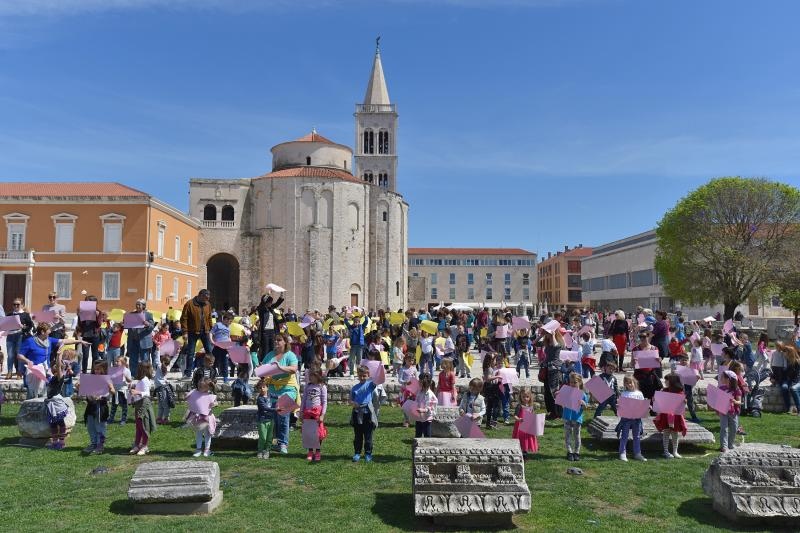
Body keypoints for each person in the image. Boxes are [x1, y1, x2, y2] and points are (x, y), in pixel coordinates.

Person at [17, 323, 87, 399]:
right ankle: (30, 409)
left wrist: (80, 341)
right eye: (48, 332)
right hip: (33, 372)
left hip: (45, 371)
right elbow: (19, 355)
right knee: (32, 393)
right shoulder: (30, 341)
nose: (49, 334)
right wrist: (27, 361)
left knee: (44, 393)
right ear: (42, 332)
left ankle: (42, 409)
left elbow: (64, 341)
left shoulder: (49, 340)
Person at [260, 332, 299, 455]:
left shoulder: (290, 355)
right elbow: (262, 371)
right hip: (272, 388)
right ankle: (272, 442)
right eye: (275, 340)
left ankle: (283, 444)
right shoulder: (270, 355)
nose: (276, 342)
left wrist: (279, 368)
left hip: (288, 388)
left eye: (279, 340)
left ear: (285, 342)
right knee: (273, 416)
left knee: (282, 414)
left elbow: (293, 369)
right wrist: (261, 368)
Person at [81, 360, 114, 454]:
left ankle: (100, 445)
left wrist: (111, 389)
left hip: (101, 406)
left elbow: (112, 390)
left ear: (104, 369)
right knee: (90, 426)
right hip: (91, 405)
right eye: (95, 369)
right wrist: (80, 387)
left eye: (98, 369)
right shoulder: (91, 378)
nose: (96, 371)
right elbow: (86, 391)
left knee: (99, 426)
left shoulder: (106, 379)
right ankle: (93, 443)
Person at [180, 289, 214, 376]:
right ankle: (188, 372)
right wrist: (184, 332)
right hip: (192, 331)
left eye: (208, 298)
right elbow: (184, 318)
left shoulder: (208, 304)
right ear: (200, 295)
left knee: (209, 351)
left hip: (205, 331)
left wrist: (211, 329)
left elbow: (209, 317)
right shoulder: (189, 304)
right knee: (191, 352)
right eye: (205, 298)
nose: (206, 300)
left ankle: (210, 370)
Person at [654, 373, 687, 459]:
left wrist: (684, 402)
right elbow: (659, 401)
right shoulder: (664, 391)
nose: (665, 382)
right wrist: (655, 399)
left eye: (666, 380)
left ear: (672, 381)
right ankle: (666, 451)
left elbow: (682, 405)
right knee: (666, 433)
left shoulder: (680, 392)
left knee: (675, 433)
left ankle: (675, 451)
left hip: (675, 416)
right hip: (665, 415)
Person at [350, 364, 379, 462]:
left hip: (368, 414)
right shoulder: (354, 388)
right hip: (357, 413)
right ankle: (357, 453)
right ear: (357, 375)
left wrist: (379, 366)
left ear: (368, 375)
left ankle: (368, 453)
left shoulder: (370, 385)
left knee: (368, 436)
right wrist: (354, 403)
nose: (362, 378)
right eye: (360, 375)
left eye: (364, 376)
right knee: (358, 436)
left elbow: (378, 378)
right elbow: (350, 400)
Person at [616, 375, 647, 462]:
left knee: (637, 436)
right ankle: (622, 453)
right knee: (624, 436)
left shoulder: (639, 393)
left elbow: (642, 405)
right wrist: (619, 406)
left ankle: (637, 453)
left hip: (637, 419)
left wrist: (647, 407)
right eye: (627, 383)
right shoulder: (624, 394)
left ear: (634, 382)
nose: (629, 385)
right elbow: (622, 405)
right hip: (626, 418)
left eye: (630, 382)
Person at [184, 378, 218, 457]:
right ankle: (198, 449)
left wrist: (214, 404)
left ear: (207, 387)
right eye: (198, 386)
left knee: (207, 434)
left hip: (207, 418)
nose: (198, 388)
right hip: (198, 418)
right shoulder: (195, 393)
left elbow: (216, 402)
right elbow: (187, 397)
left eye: (201, 387)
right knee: (198, 434)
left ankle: (207, 450)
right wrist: (187, 395)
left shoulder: (210, 395)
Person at [300, 368, 328, 462]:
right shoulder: (308, 386)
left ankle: (318, 451)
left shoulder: (322, 387)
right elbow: (303, 400)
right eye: (310, 376)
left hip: (317, 413)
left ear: (318, 376)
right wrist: (301, 412)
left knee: (318, 433)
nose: (310, 377)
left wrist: (322, 415)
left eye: (312, 376)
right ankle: (310, 451)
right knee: (309, 432)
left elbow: (324, 402)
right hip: (307, 412)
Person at [44, 355, 71, 450]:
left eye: (56, 366)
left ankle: (62, 442)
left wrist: (59, 355)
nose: (54, 367)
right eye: (53, 366)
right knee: (53, 423)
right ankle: (55, 442)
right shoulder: (52, 377)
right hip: (51, 403)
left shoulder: (60, 376)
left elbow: (59, 367)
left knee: (60, 422)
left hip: (56, 403)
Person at [130, 361, 156, 456]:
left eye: (140, 368)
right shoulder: (140, 380)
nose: (138, 370)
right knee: (138, 426)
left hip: (144, 405)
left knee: (144, 426)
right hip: (138, 404)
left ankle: (145, 445)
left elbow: (147, 394)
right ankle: (137, 444)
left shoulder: (145, 380)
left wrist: (137, 392)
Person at [561, 372, 588, 462]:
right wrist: (559, 396)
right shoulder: (566, 392)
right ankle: (569, 452)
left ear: (579, 383)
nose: (572, 384)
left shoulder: (582, 394)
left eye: (575, 382)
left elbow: (585, 407)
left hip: (577, 418)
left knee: (577, 436)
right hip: (567, 417)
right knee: (567, 435)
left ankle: (576, 452)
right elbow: (562, 403)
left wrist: (583, 403)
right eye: (571, 382)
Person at [125, 299, 156, 377]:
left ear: (144, 306)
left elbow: (152, 327)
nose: (137, 306)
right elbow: (127, 325)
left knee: (145, 359)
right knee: (133, 359)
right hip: (133, 340)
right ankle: (133, 374)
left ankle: (145, 375)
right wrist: (124, 323)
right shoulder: (132, 314)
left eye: (139, 304)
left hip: (144, 341)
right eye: (136, 304)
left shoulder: (148, 315)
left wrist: (147, 324)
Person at [5, 298, 34, 379]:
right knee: (10, 355)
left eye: (18, 304)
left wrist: (23, 327)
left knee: (19, 354)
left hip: (20, 336)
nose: (16, 306)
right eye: (14, 304)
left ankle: (19, 372)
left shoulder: (25, 314)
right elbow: (5, 325)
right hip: (10, 336)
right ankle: (9, 372)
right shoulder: (10, 314)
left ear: (21, 305)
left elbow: (30, 325)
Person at [75, 295, 102, 374]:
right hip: (86, 336)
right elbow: (80, 325)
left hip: (95, 336)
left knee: (95, 355)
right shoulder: (83, 311)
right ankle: (84, 372)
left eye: (88, 302)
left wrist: (97, 316)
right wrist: (80, 315)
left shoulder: (98, 312)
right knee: (85, 356)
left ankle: (94, 373)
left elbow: (99, 325)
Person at [717, 370, 742, 453]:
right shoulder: (721, 388)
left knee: (734, 429)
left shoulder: (736, 389)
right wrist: (717, 409)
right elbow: (718, 400)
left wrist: (735, 401)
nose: (721, 378)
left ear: (729, 379)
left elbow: (739, 402)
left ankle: (730, 444)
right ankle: (723, 446)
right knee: (723, 428)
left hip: (733, 412)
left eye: (723, 377)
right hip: (723, 411)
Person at [511, 388, 539, 456]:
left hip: (528, 426)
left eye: (527, 397)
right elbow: (515, 415)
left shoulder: (531, 406)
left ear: (530, 397)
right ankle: (521, 450)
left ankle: (525, 450)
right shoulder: (519, 406)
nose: (525, 398)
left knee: (527, 438)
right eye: (523, 397)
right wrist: (518, 419)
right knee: (521, 438)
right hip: (520, 426)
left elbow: (532, 415)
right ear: (520, 397)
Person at [344, 313, 371, 377]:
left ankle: (359, 373)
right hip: (353, 346)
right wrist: (346, 317)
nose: (356, 323)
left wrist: (365, 315)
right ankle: (351, 373)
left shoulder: (361, 327)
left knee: (359, 360)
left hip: (360, 346)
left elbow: (366, 321)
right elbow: (346, 322)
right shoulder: (351, 327)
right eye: (355, 321)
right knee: (352, 360)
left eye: (357, 322)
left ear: (359, 322)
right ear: (353, 322)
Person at [210, 311, 233, 384]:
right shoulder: (218, 325)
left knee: (225, 362)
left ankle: (225, 377)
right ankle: (212, 377)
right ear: (225, 319)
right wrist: (212, 341)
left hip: (225, 347)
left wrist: (230, 344)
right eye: (230, 321)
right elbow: (211, 333)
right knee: (214, 362)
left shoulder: (228, 328)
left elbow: (228, 337)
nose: (230, 323)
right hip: (217, 346)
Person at [414, 372, 438, 438]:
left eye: (419, 381)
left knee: (427, 434)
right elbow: (417, 400)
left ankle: (427, 446)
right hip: (419, 417)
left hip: (427, 418)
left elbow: (432, 406)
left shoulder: (430, 394)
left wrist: (424, 410)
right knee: (418, 433)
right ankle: (418, 445)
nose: (418, 382)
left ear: (424, 383)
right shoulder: (420, 391)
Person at [109, 355, 131, 425]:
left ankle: (123, 419)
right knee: (113, 405)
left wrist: (125, 375)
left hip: (122, 390)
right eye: (116, 361)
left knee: (124, 406)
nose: (115, 362)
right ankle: (111, 418)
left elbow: (129, 381)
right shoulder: (114, 370)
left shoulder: (127, 370)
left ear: (123, 363)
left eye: (117, 361)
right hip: (115, 390)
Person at [398, 354, 418, 428]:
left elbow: (416, 379)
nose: (411, 362)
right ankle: (406, 420)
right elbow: (399, 380)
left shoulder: (414, 369)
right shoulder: (402, 369)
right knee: (405, 405)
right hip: (405, 390)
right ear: (405, 360)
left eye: (412, 360)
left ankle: (414, 419)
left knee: (413, 405)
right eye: (409, 360)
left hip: (412, 391)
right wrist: (405, 382)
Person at [154, 354, 175, 425]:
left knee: (163, 404)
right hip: (161, 388)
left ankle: (165, 418)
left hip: (161, 388)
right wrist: (177, 353)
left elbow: (157, 359)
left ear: (162, 360)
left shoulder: (159, 366)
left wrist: (158, 349)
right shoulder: (167, 367)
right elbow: (173, 361)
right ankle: (160, 418)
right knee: (162, 404)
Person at [255, 379, 273, 459]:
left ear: (267, 388)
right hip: (262, 420)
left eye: (263, 387)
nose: (262, 389)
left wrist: (283, 397)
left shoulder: (269, 395)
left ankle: (267, 450)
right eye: (260, 388)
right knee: (263, 437)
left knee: (269, 437)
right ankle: (260, 450)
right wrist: (276, 409)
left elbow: (277, 396)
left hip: (271, 420)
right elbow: (265, 408)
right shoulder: (260, 399)